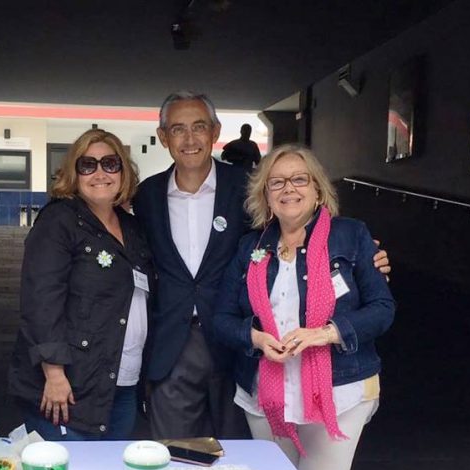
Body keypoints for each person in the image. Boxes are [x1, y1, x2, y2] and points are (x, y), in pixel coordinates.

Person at [133, 90, 392, 441]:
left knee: (245, 456)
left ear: (215, 131)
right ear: (163, 137)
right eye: (178, 129)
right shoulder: (146, 196)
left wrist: (362, 257)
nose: (190, 139)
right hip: (173, 343)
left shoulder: (247, 186)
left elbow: (299, 227)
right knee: (178, 454)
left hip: (243, 347)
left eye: (199, 127)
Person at [212, 144, 395, 470]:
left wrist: (326, 333)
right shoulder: (251, 246)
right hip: (267, 393)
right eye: (276, 182)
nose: (288, 189)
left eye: (299, 179)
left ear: (317, 189)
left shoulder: (351, 236)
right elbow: (223, 318)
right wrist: (255, 338)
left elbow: (382, 309)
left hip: (339, 390)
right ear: (265, 194)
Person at [9, 129, 152, 440]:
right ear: (74, 173)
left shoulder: (132, 227)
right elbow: (41, 301)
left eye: (110, 164)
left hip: (122, 381)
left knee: (110, 467)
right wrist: (54, 372)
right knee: (71, 469)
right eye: (88, 165)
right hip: (71, 386)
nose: (100, 173)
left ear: (123, 171)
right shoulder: (58, 221)